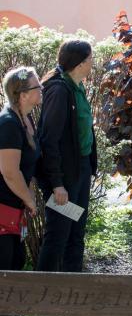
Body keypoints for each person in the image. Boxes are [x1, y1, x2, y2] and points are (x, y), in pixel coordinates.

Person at [36, 39, 97, 272]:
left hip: (80, 169)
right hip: (64, 175)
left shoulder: (77, 86)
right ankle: (42, 296)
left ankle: (73, 294)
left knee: (76, 233)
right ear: (80, 63)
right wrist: (57, 183)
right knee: (58, 234)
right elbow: (49, 140)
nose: (93, 64)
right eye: (91, 59)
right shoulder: (59, 90)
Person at [0, 67, 42, 271]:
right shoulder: (8, 123)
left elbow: (28, 164)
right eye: (37, 86)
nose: (42, 88)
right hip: (3, 207)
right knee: (6, 266)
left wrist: (29, 191)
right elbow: (9, 171)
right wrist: (29, 200)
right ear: (23, 95)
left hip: (14, 208)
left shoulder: (26, 119)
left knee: (16, 261)